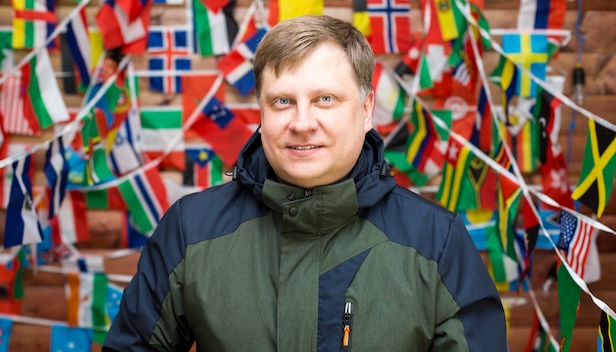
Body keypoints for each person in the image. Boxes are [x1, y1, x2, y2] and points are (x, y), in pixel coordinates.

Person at [103, 15, 507, 351]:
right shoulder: (191, 229)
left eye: (324, 99)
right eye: (282, 101)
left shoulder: (436, 240)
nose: (301, 123)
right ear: (261, 110)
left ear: (366, 110)